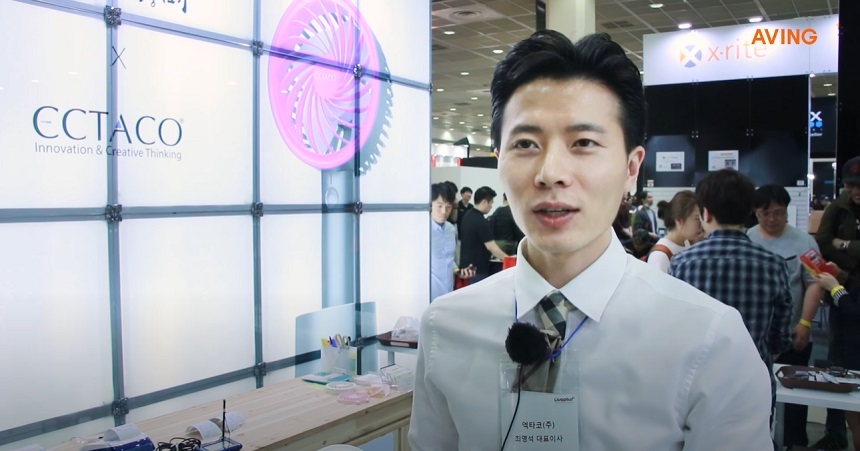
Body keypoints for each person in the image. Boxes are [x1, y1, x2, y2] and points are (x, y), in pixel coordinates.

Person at [409, 31, 772, 450]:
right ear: (499, 160)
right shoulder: (446, 327)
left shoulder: (708, 341)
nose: (551, 173)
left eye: (583, 143)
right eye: (525, 144)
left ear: (631, 167)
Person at [670, 169, 792, 425]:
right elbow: (780, 339)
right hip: (753, 385)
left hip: (695, 387)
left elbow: (674, 332)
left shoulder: (682, 263)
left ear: (706, 213)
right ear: (749, 212)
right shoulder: (774, 265)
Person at [747, 184, 823, 449]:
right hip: (755, 336)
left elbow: (814, 284)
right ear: (755, 212)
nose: (772, 219)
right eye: (764, 213)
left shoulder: (804, 242)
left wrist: (805, 323)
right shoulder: (747, 239)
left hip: (793, 333)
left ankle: (795, 442)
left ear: (787, 211)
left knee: (795, 397)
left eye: (778, 213)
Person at [812, 156, 860, 450]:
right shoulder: (838, 208)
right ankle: (835, 432)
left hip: (846, 288)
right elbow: (823, 240)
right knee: (837, 360)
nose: (855, 191)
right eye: (851, 186)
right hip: (841, 284)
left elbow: (833, 242)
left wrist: (845, 245)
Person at [815, 267, 860, 451]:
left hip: (854, 353)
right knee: (854, 418)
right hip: (849, 353)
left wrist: (835, 288)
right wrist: (841, 275)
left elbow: (855, 310)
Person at [430, 183, 475, 302]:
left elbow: (449, 259)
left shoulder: (451, 229)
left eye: (448, 207)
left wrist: (459, 272)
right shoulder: (423, 230)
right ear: (431, 205)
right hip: (428, 294)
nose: (444, 211)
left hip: (448, 292)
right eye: (439, 206)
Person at [458, 186, 509, 283]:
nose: (491, 206)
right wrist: (508, 259)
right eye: (491, 203)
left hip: (466, 269)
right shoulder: (481, 221)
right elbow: (491, 247)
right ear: (485, 202)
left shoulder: (467, 215)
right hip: (478, 271)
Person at [645, 190, 702, 272]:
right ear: (679, 220)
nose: (702, 224)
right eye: (697, 219)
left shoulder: (687, 243)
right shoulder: (660, 256)